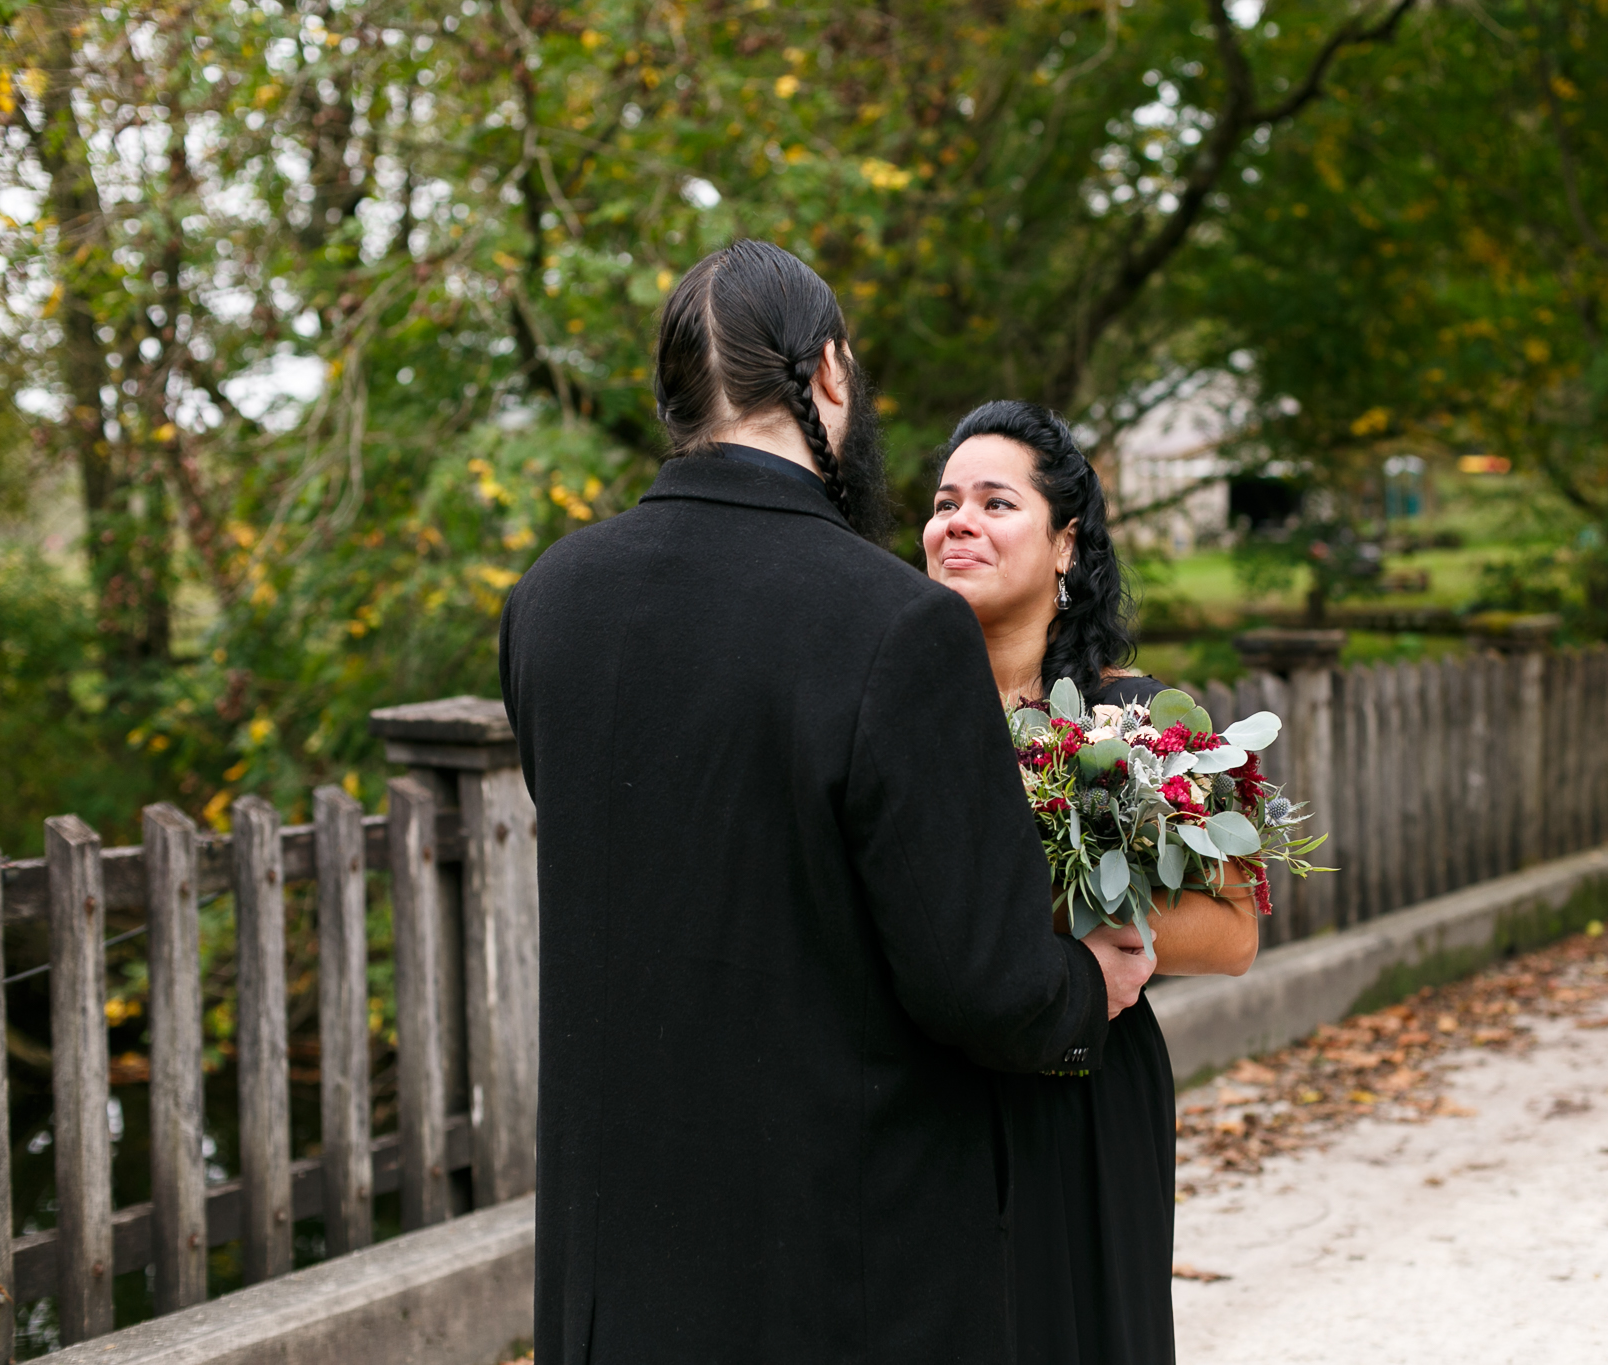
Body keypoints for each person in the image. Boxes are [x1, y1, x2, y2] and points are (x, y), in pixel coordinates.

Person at [498, 241, 1156, 1365]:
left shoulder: (550, 602)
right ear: (830, 379)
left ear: (671, 401)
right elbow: (978, 979)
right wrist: (1086, 986)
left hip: (616, 1272)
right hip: (837, 1274)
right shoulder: (896, 625)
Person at [923, 400, 1262, 1365]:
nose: (959, 521)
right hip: (928, 1088)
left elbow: (1235, 932)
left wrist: (1075, 913)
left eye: (996, 501)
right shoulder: (887, 709)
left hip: (1086, 1087)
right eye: (946, 501)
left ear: (1066, 543)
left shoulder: (1139, 717)